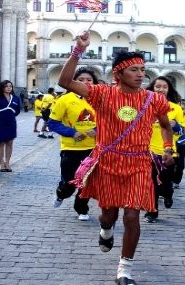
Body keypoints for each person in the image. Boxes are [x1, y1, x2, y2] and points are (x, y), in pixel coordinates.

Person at [58, 31, 174, 285]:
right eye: (133, 70)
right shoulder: (101, 94)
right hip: (109, 163)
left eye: (143, 69)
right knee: (108, 215)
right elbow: (65, 81)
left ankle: (124, 269)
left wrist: (168, 148)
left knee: (132, 216)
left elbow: (166, 126)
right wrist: (78, 51)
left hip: (139, 164)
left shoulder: (154, 99)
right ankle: (106, 230)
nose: (141, 74)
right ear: (118, 75)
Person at [48, 67, 98, 221]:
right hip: (70, 149)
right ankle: (61, 193)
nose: (85, 82)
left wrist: (97, 129)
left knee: (87, 182)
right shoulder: (65, 99)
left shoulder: (99, 99)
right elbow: (52, 123)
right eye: (81, 79)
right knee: (69, 183)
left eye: (89, 80)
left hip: (93, 149)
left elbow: (109, 122)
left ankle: (81, 208)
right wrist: (72, 133)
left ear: (94, 82)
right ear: (74, 82)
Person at [144, 76, 184, 223]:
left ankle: (168, 194)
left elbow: (183, 132)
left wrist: (177, 126)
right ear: (152, 88)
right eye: (158, 86)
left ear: (169, 90)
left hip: (168, 151)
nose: (161, 89)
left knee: (166, 182)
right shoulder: (144, 105)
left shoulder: (176, 108)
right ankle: (151, 211)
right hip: (147, 151)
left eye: (164, 87)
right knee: (151, 182)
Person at [0, 80, 21, 172]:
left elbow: (17, 110)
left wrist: (10, 116)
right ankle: (2, 163)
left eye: (10, 86)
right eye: (6, 86)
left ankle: (8, 163)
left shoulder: (16, 98)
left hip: (11, 123)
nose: (9, 88)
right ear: (2, 88)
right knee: (0, 142)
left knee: (9, 143)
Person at [173, 102, 185, 189]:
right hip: (168, 146)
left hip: (180, 146)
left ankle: (176, 181)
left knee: (180, 164)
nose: (180, 111)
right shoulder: (169, 118)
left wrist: (179, 142)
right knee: (169, 164)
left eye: (183, 109)